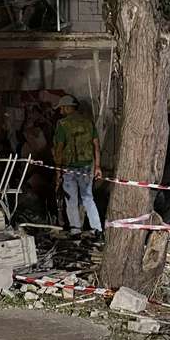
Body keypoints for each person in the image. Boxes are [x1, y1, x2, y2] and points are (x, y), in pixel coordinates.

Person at [52, 95, 103, 236]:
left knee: (71, 200)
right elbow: (96, 146)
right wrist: (98, 166)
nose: (60, 110)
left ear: (68, 107)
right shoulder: (88, 123)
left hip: (69, 168)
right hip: (87, 167)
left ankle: (75, 230)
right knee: (88, 198)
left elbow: (59, 149)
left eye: (62, 107)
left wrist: (58, 172)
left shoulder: (62, 124)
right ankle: (97, 228)